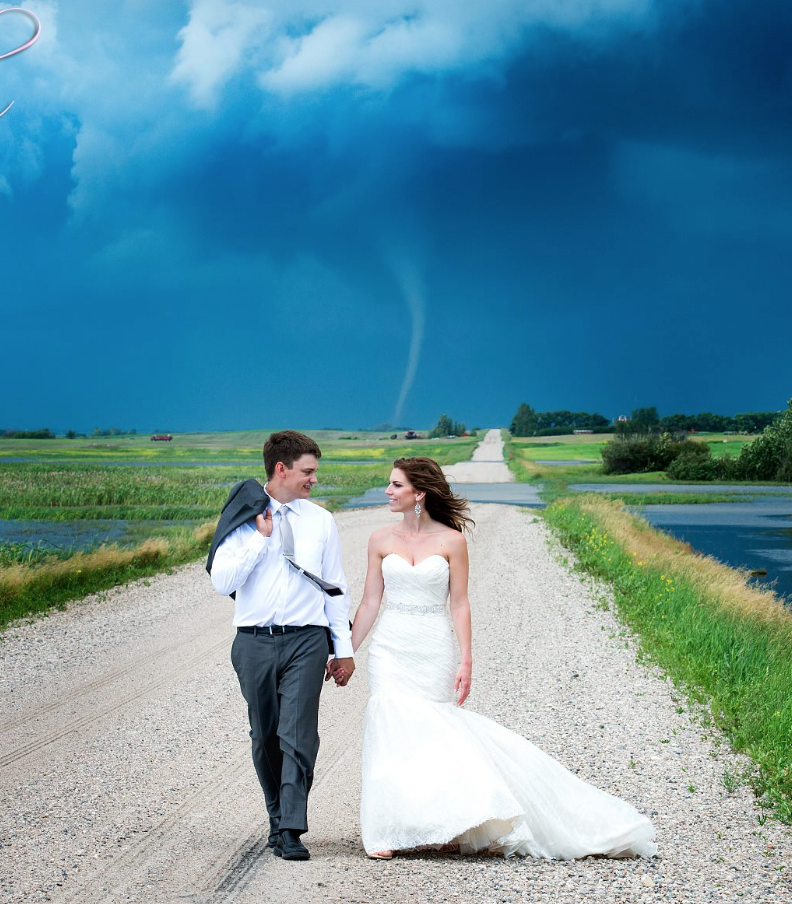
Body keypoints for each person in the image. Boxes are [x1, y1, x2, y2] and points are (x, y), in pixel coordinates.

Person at [345, 456, 657, 861]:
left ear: (419, 494)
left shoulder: (451, 541)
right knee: (390, 723)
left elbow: (459, 604)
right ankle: (386, 829)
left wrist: (466, 659)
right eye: (389, 484)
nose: (388, 491)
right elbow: (370, 601)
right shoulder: (380, 540)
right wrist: (345, 650)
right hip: (391, 645)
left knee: (436, 729)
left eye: (396, 485)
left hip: (432, 643)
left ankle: (448, 821)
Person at [209, 430, 355, 861]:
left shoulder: (322, 521)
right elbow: (222, 582)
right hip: (253, 641)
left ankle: (292, 828)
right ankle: (276, 818)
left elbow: (337, 588)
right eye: (307, 471)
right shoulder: (243, 518)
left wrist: (341, 648)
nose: (313, 479)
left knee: (299, 735)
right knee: (264, 736)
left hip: (307, 642)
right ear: (281, 469)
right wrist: (260, 539)